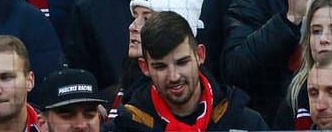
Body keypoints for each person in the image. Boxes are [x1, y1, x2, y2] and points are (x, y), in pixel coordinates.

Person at [109, 10, 267, 131]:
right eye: (161, 66)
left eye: (182, 62)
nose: (174, 76)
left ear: (200, 55)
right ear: (145, 67)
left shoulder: (245, 122)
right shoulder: (127, 125)